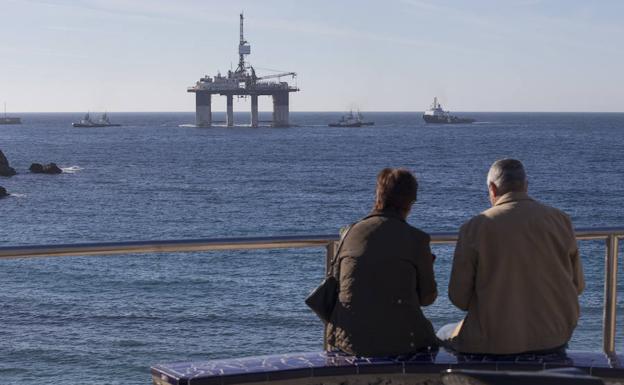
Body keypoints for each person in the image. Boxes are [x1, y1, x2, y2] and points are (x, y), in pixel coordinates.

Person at [448, 159, 585, 354]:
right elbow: (578, 286)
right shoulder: (561, 220)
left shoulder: (475, 227)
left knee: (445, 332)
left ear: (493, 189)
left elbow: (459, 298)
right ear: (526, 186)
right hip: (554, 338)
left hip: (494, 342)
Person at [327, 168, 438, 356]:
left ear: (378, 195)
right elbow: (427, 298)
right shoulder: (417, 239)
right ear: (410, 202)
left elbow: (339, 286)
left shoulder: (349, 233)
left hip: (348, 339)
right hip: (403, 342)